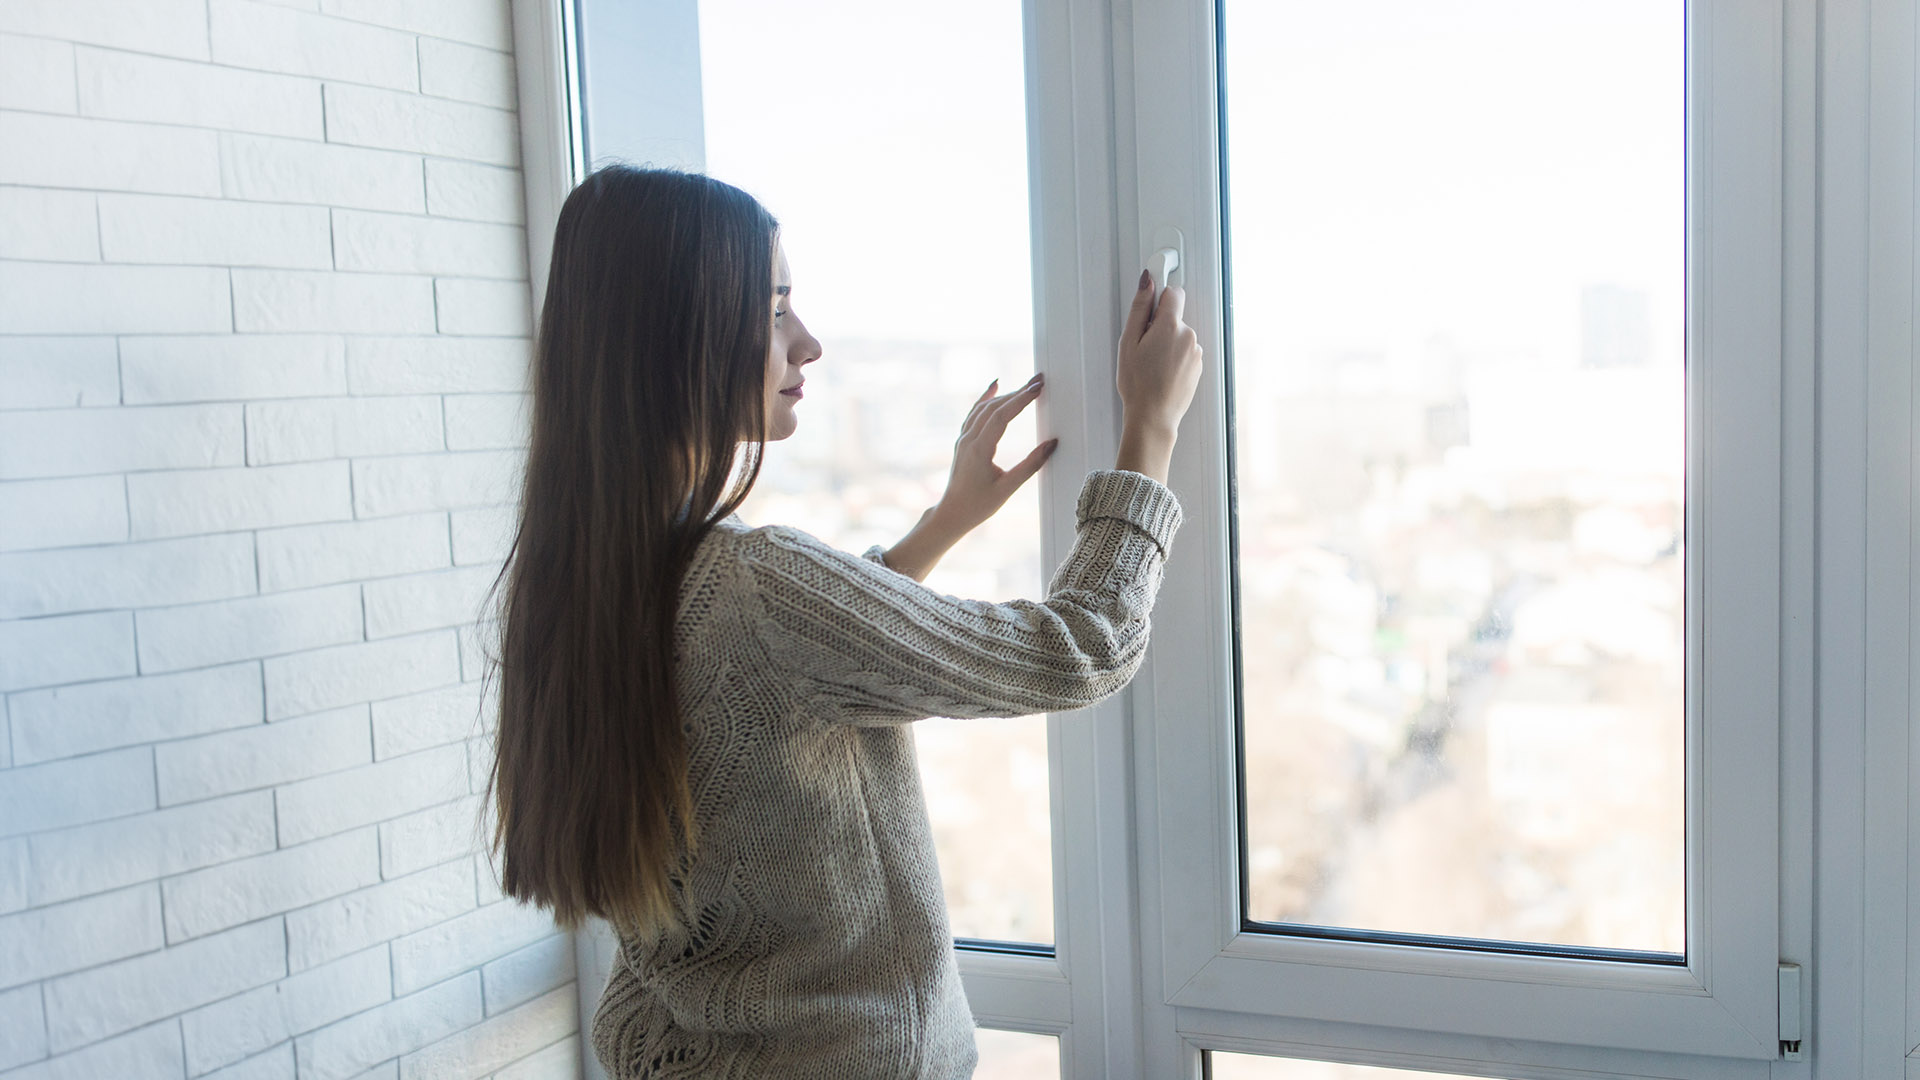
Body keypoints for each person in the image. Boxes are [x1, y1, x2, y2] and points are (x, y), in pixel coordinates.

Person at [485, 164, 1202, 1079]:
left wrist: (944, 522)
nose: (808, 342)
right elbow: (1086, 646)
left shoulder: (582, 586)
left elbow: (767, 673)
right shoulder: (750, 585)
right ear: (677, 336)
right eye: (774, 308)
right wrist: (1151, 427)